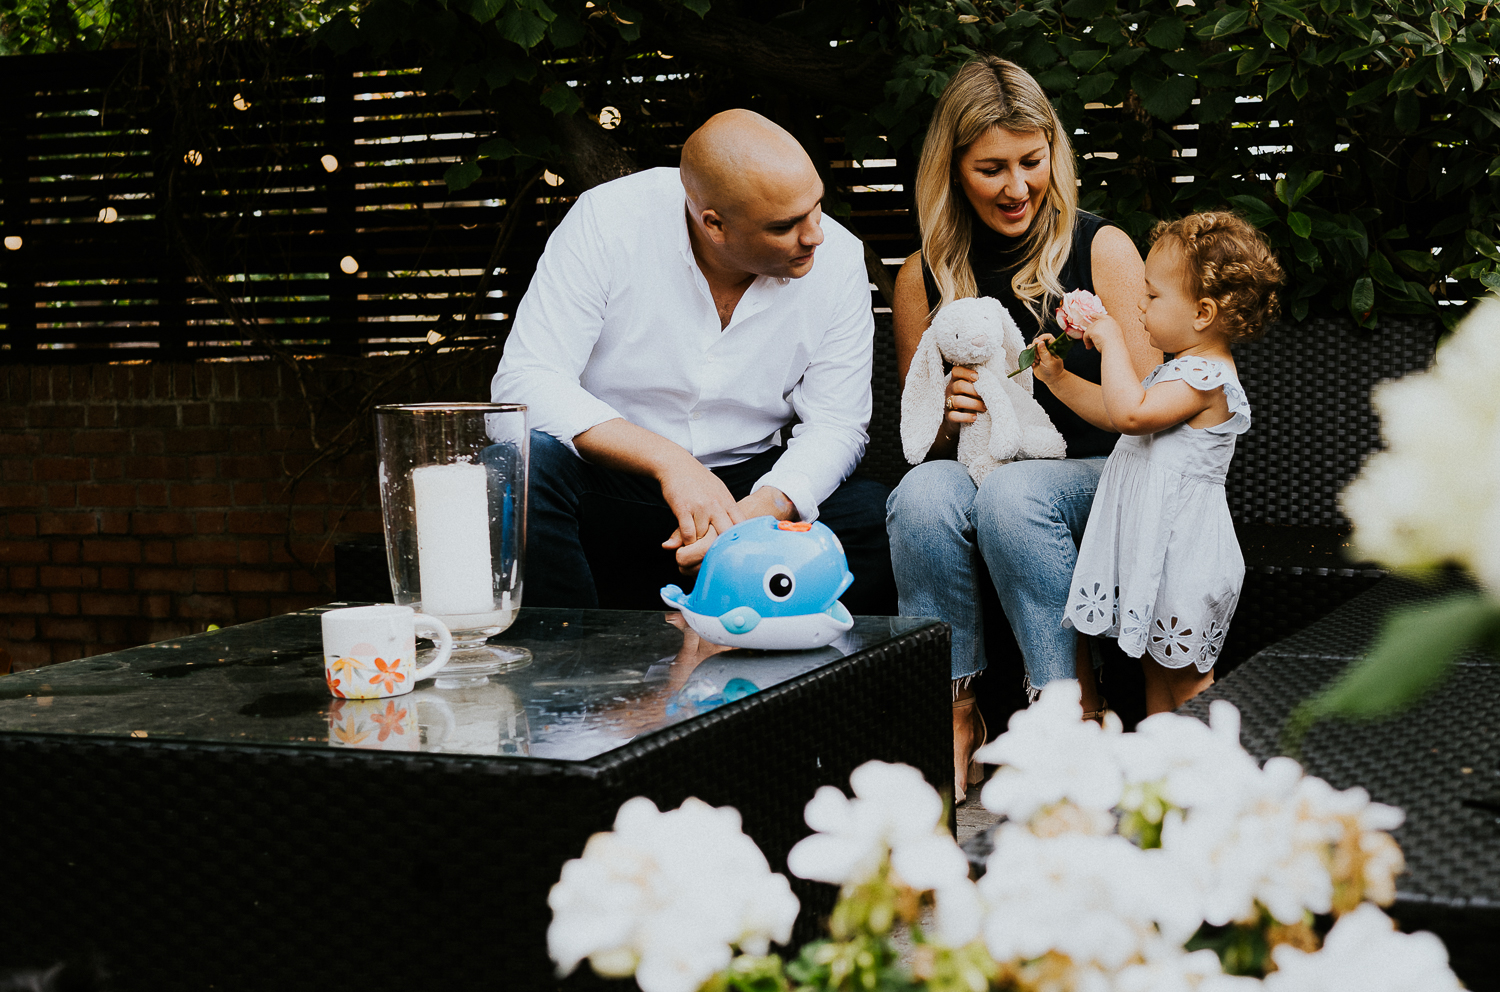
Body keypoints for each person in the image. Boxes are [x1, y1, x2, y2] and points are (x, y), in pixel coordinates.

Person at [884, 56, 1159, 801]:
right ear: (953, 170)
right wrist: (947, 419)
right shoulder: (924, 275)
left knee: (1014, 494)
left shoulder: (1101, 249)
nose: (1016, 188)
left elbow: (1153, 417)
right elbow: (921, 444)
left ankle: (1074, 713)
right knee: (921, 496)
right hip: (986, 478)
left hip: (1104, 473)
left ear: (1054, 153)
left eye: (1031, 162)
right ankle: (955, 711)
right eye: (991, 169)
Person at [491, 109, 896, 615]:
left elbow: (838, 424)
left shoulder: (837, 259)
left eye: (815, 207)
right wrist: (671, 463)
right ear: (714, 224)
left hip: (753, 487)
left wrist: (760, 512)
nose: (814, 234)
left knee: (877, 517)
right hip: (614, 481)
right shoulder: (609, 220)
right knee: (518, 467)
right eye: (786, 225)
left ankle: (784, 679)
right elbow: (526, 380)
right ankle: (574, 674)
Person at [1041, 212, 1283, 714]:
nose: (1139, 304)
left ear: (1202, 313)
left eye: (1152, 296)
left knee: (1191, 683)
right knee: (1157, 668)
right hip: (1157, 549)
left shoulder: (1205, 375)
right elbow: (1117, 415)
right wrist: (1059, 379)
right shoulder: (1178, 371)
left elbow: (1129, 413)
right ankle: (1160, 772)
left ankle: (1212, 778)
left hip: (1186, 556)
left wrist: (1111, 344)